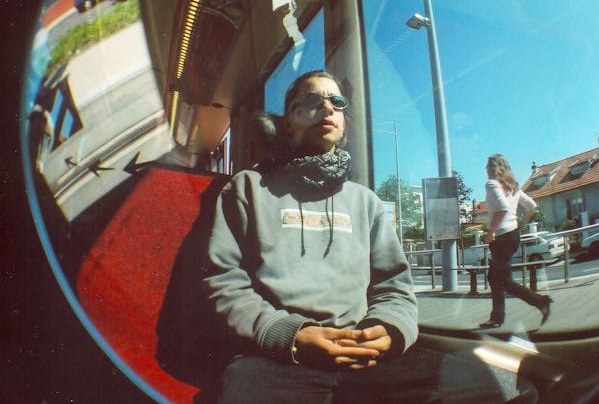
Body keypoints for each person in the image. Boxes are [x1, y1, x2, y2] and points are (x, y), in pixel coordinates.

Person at [202, 71, 537, 403]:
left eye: (337, 101)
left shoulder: (365, 202)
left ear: (344, 122)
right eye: (311, 100)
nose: (327, 107)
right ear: (287, 121)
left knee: (507, 390)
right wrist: (291, 335)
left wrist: (389, 330)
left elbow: (394, 286)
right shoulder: (247, 188)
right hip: (277, 361)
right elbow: (224, 282)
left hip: (366, 357)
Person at [479, 154, 553, 329]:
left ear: (493, 168)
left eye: (487, 166)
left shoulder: (491, 184)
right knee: (495, 277)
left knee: (503, 280)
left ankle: (541, 302)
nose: (485, 169)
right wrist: (520, 223)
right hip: (512, 235)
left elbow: (503, 208)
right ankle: (497, 318)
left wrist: (491, 232)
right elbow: (532, 206)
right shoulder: (513, 187)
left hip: (502, 238)